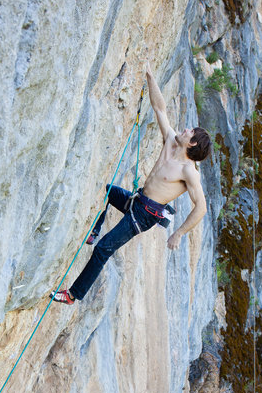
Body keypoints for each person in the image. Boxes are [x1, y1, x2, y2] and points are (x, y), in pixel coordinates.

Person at [51, 62, 211, 305]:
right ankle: (94, 230)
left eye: (190, 131)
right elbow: (160, 108)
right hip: (136, 200)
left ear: (192, 144)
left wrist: (178, 234)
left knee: (104, 249)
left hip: (145, 215)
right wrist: (149, 75)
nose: (186, 129)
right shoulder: (171, 142)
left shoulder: (189, 171)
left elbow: (201, 207)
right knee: (106, 192)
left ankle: (73, 294)